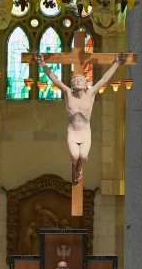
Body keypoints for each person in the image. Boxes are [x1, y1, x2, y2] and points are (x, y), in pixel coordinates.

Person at [35, 52, 125, 183]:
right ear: (72, 84)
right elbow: (54, 78)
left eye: (81, 80)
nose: (78, 81)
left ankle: (78, 168)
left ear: (85, 85)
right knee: (75, 155)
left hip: (84, 133)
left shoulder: (90, 94)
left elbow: (104, 79)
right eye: (75, 80)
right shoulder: (68, 93)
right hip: (72, 132)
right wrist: (43, 63)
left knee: (83, 155)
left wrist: (116, 63)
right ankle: (76, 167)